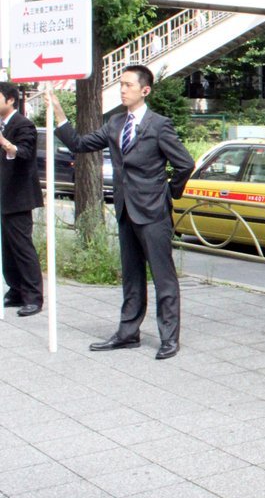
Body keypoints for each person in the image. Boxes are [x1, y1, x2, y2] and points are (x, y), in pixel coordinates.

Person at [51, 65, 195, 360]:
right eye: (121, 84)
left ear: (145, 90)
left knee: (163, 277)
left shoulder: (159, 125)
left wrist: (168, 193)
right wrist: (58, 113)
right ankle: (127, 333)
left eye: (128, 85)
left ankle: (169, 337)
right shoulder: (115, 123)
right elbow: (79, 144)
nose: (123, 89)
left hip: (153, 213)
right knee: (131, 276)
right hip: (126, 210)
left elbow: (185, 164)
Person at [0, 83, 44, 317]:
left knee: (22, 247)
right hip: (4, 196)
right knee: (6, 248)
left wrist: (5, 143)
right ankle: (15, 291)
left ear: (10, 101)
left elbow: (24, 153)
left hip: (19, 197)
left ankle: (33, 297)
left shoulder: (23, 124)